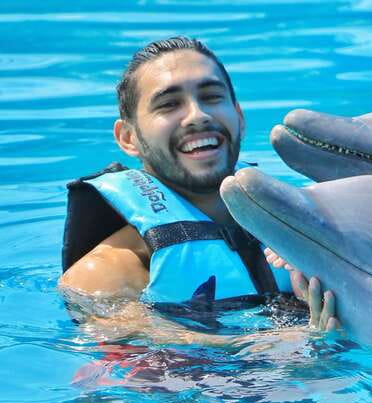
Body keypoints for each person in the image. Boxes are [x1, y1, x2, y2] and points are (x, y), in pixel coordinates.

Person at [58, 36, 338, 348]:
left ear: (240, 118)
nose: (198, 115)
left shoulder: (306, 231)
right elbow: (113, 376)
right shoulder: (105, 274)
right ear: (128, 138)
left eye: (212, 97)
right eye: (169, 104)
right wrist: (262, 346)